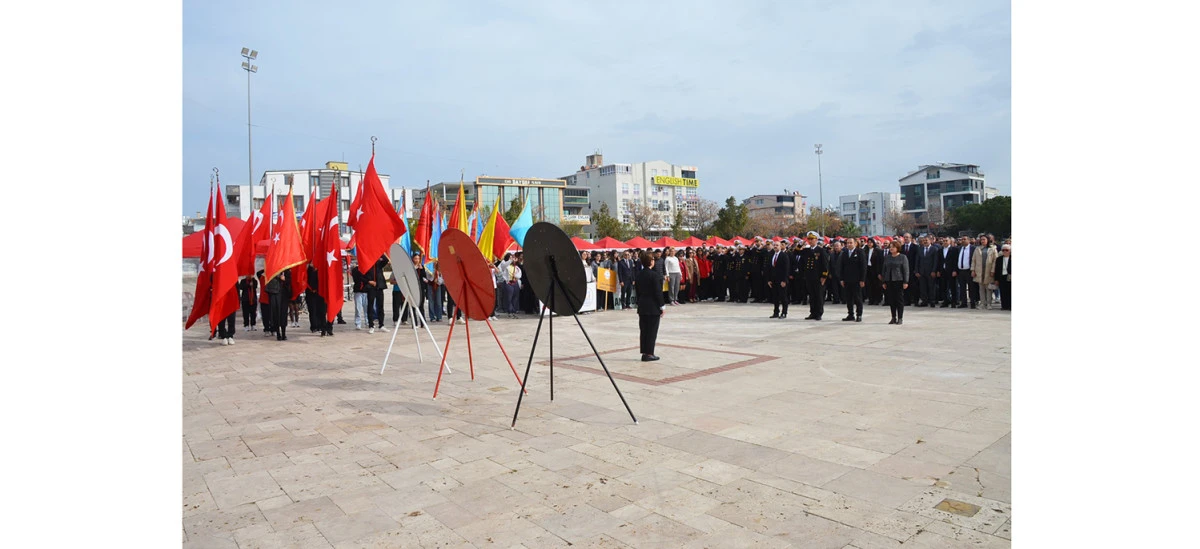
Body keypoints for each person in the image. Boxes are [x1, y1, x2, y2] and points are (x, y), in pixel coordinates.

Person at [635, 251, 665, 361]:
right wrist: (662, 306)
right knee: (652, 331)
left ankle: (644, 352)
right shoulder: (654, 275)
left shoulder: (639, 274)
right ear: (650, 261)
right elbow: (658, 292)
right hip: (653, 306)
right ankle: (649, 353)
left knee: (644, 331)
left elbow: (637, 291)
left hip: (642, 305)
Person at [798, 232, 829, 320]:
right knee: (812, 296)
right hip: (809, 276)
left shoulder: (821, 250)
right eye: (809, 239)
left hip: (818, 277)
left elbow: (825, 265)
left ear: (816, 240)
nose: (810, 241)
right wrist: (801, 244)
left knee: (819, 296)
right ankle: (812, 312)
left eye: (812, 239)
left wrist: (824, 277)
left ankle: (819, 313)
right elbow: (796, 252)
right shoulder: (806, 250)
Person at [881, 240, 910, 325]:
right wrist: (884, 281)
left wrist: (906, 281)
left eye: (893, 247)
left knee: (899, 300)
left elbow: (906, 270)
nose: (891, 249)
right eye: (890, 247)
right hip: (889, 280)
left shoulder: (903, 257)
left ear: (897, 248)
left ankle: (900, 318)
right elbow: (884, 270)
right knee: (891, 300)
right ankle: (893, 317)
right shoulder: (887, 257)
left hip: (899, 280)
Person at [840, 236, 867, 322]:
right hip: (847, 279)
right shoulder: (844, 252)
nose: (849, 244)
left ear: (855, 243)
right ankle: (850, 314)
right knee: (848, 298)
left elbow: (863, 267)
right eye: (847, 243)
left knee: (858, 298)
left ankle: (859, 314)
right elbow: (842, 266)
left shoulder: (860, 252)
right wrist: (842, 279)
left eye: (851, 243)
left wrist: (862, 279)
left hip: (857, 280)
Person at [972, 235, 998, 310]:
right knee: (981, 288)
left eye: (984, 239)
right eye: (981, 239)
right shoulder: (977, 249)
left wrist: (993, 270)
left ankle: (989, 303)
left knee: (988, 288)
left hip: (988, 271)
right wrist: (973, 270)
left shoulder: (992, 249)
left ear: (988, 240)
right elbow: (973, 260)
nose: (982, 241)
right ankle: (983, 303)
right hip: (979, 271)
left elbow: (995, 261)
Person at [767, 241, 792, 319]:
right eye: (774, 245)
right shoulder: (771, 255)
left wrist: (784, 280)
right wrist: (769, 280)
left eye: (777, 245)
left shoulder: (784, 256)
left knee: (783, 297)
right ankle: (776, 312)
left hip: (781, 280)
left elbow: (786, 269)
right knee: (775, 297)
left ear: (781, 246)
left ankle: (784, 312)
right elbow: (769, 268)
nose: (775, 247)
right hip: (773, 280)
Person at [366, 255, 389, 332]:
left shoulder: (379, 264)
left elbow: (386, 260)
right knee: (370, 306)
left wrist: (379, 252)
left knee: (380, 306)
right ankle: (371, 325)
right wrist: (369, 281)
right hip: (371, 288)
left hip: (379, 287)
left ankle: (381, 325)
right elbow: (361, 275)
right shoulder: (367, 264)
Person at [954, 236, 976, 308]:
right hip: (961, 271)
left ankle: (972, 302)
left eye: (964, 239)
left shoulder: (973, 248)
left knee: (971, 288)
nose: (963, 241)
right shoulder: (959, 248)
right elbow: (956, 259)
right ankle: (964, 302)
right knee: (962, 288)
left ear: (969, 240)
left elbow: (975, 260)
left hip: (969, 271)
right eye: (962, 239)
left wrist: (973, 270)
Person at [267, 269, 288, 340]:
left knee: (284, 314)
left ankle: (284, 333)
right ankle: (278, 333)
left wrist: (285, 279)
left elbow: (289, 281)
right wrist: (279, 276)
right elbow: (268, 276)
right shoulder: (272, 268)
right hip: (275, 293)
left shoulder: (287, 270)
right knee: (276, 313)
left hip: (284, 294)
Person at [993, 244, 1012, 310]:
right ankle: (1004, 306)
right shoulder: (999, 259)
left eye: (1006, 250)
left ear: (1009, 251)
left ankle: (1010, 306)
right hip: (1002, 277)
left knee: (1010, 292)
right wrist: (996, 279)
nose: (1005, 251)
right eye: (1003, 250)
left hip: (1010, 277)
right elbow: (997, 270)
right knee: (1003, 292)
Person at [351, 262, 369, 330]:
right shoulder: (355, 270)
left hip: (366, 290)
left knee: (366, 308)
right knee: (358, 308)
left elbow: (368, 278)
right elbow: (357, 278)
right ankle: (358, 323)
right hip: (358, 291)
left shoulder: (367, 269)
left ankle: (367, 321)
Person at [256, 269, 272, 336]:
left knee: (272, 316)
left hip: (271, 300)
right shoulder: (262, 278)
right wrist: (266, 268)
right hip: (264, 300)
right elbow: (258, 272)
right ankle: (266, 329)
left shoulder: (272, 278)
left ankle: (273, 328)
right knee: (265, 316)